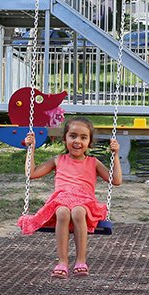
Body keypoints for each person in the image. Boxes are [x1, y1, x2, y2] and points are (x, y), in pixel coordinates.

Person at [18, 117, 122, 279]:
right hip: (62, 200)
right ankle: (62, 262)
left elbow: (116, 180)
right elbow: (31, 174)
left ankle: (81, 260)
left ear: (89, 142)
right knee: (62, 212)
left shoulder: (93, 162)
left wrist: (115, 155)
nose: (77, 141)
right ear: (65, 138)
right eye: (72, 136)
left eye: (83, 137)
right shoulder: (58, 160)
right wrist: (30, 149)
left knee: (78, 212)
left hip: (84, 202)